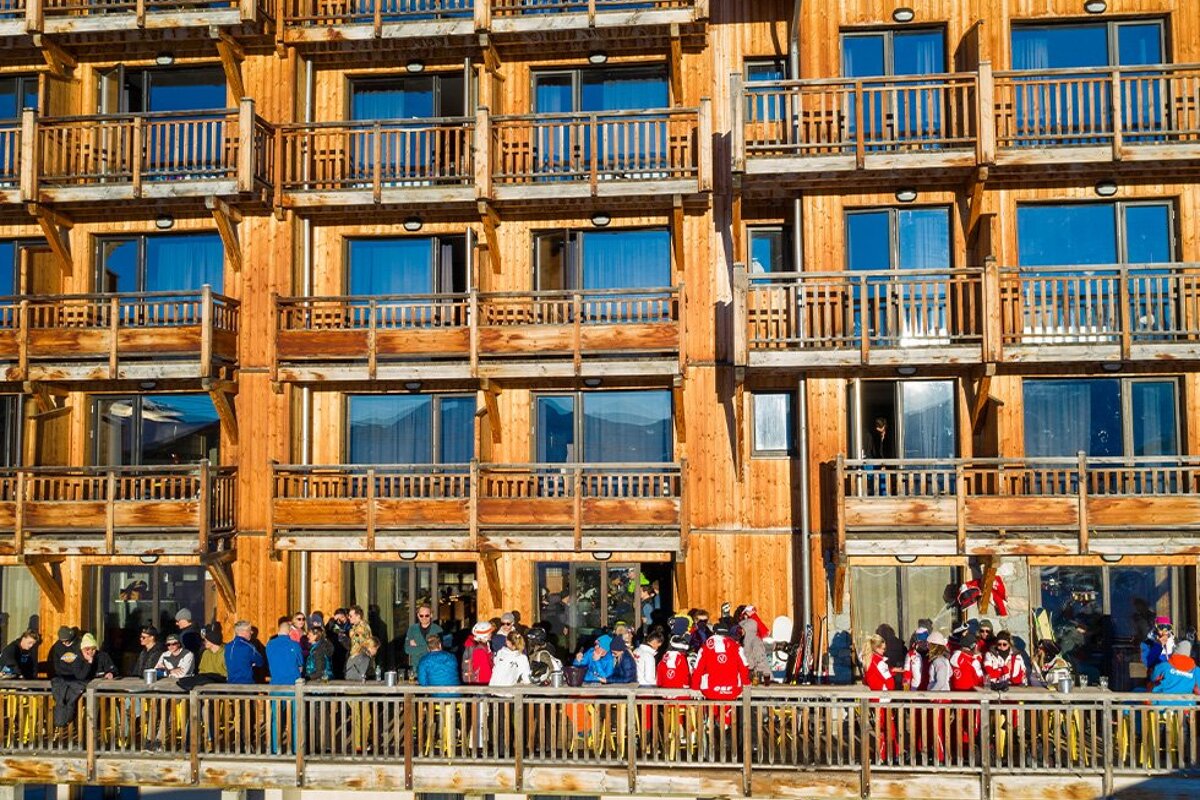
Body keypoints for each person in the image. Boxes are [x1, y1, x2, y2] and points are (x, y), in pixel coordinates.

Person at [51, 634, 116, 734]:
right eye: (87, 649)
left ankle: (90, 731)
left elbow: (113, 669)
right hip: (80, 692)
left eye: (93, 649)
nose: (90, 652)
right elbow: (80, 675)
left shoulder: (103, 656)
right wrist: (88, 662)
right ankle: (78, 730)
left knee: (95, 702)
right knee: (73, 702)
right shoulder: (77, 659)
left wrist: (111, 673)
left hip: (98, 692)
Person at [690, 622, 750, 701]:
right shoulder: (736, 647)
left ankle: (713, 713)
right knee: (729, 709)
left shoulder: (705, 648)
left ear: (714, 633)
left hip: (710, 691)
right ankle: (728, 713)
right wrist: (746, 684)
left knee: (712, 710)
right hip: (732, 690)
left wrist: (695, 688)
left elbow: (698, 669)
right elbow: (744, 668)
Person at [404, 606, 443, 671]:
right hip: (416, 667)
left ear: (431, 615)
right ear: (418, 615)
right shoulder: (412, 629)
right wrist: (428, 648)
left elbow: (440, 650)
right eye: (421, 615)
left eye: (427, 615)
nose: (424, 618)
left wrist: (416, 648)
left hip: (433, 666)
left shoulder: (438, 630)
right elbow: (407, 649)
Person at [225, 620, 265, 684]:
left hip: (231, 685)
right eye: (250, 630)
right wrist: (252, 663)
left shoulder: (228, 646)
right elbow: (260, 661)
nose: (251, 633)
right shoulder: (249, 647)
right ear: (244, 632)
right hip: (246, 685)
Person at [267, 620, 304, 686]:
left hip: (275, 684)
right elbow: (300, 664)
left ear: (279, 631)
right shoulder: (294, 645)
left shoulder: (269, 644)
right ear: (290, 632)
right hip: (292, 684)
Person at [739, 616, 771, 683]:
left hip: (759, 677)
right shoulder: (745, 641)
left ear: (748, 629)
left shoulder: (755, 641)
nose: (741, 631)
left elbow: (760, 659)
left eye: (742, 629)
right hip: (751, 675)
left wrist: (756, 675)